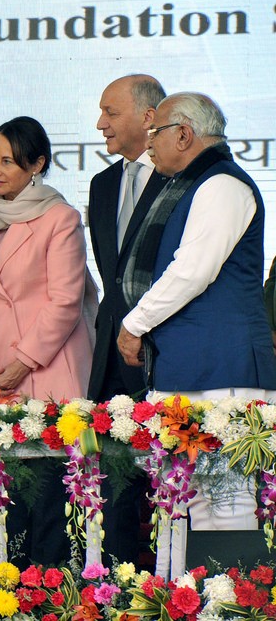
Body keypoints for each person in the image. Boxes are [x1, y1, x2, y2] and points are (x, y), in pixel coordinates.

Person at [118, 92, 276, 533]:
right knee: (192, 505)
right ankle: (197, 602)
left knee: (228, 502)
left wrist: (134, 324)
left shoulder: (222, 184)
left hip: (224, 370)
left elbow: (192, 271)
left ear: (184, 134)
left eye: (156, 132)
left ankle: (230, 602)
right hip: (190, 367)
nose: (148, 142)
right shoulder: (191, 185)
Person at [0, 116, 96, 566]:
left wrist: (20, 363)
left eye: (10, 162)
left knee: (51, 509)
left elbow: (65, 303)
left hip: (48, 373)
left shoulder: (61, 218)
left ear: (36, 164)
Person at [87, 74, 166, 565]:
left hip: (164, 348)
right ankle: (115, 587)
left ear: (149, 117)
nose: (101, 124)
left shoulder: (180, 182)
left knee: (171, 478)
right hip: (111, 352)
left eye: (111, 113)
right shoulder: (102, 183)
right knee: (115, 480)